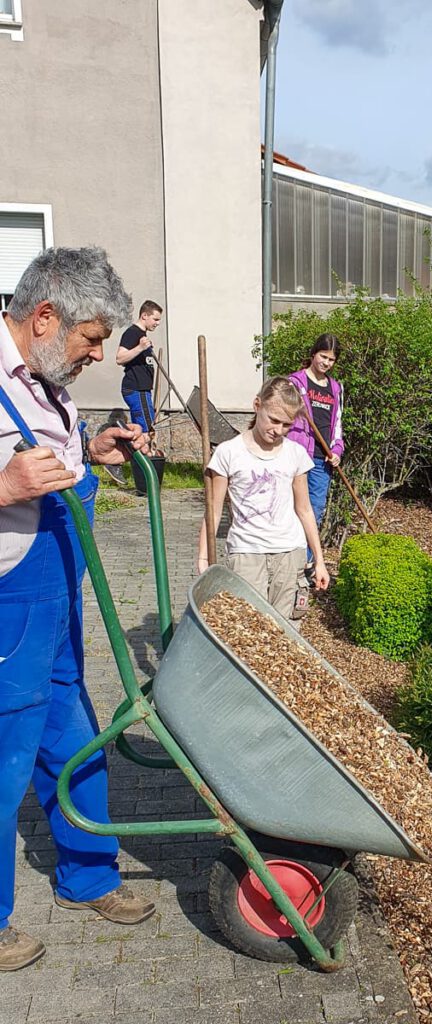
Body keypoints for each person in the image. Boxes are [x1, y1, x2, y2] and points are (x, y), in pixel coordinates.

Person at [0, 247, 156, 972]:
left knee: (75, 738)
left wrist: (93, 450)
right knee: (5, 762)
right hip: (8, 607)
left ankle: (88, 874)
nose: (101, 353)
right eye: (93, 339)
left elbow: (55, 467)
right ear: (44, 318)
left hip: (56, 598)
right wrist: (1, 488)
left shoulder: (45, 383)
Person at [197, 376, 330, 620]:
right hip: (246, 554)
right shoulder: (229, 452)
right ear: (257, 405)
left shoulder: (295, 454)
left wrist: (319, 560)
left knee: (285, 631)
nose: (278, 430)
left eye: (287, 425)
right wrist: (204, 557)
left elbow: (304, 510)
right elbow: (213, 510)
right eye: (274, 420)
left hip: (289, 554)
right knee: (249, 628)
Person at [287, 334, 344, 562]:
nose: (326, 363)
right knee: (293, 509)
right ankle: (289, 559)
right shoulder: (295, 383)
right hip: (297, 456)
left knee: (315, 511)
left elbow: (337, 423)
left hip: (322, 460)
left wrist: (337, 450)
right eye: (323, 356)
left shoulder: (334, 388)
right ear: (313, 354)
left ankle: (306, 562)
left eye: (331, 359)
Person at [115, 299, 163, 433]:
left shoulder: (142, 334)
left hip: (143, 389)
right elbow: (120, 358)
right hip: (136, 388)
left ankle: (141, 452)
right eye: (155, 319)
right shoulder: (132, 333)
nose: (157, 323)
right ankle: (145, 453)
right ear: (144, 316)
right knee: (146, 429)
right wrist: (140, 348)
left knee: (144, 426)